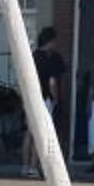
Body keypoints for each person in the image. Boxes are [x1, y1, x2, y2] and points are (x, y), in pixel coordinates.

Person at [30, 25, 69, 159]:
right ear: (51, 41)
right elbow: (53, 81)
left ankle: (27, 166)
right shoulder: (52, 58)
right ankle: (39, 164)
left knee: (30, 133)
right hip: (46, 99)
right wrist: (56, 98)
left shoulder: (33, 56)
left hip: (32, 99)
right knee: (44, 132)